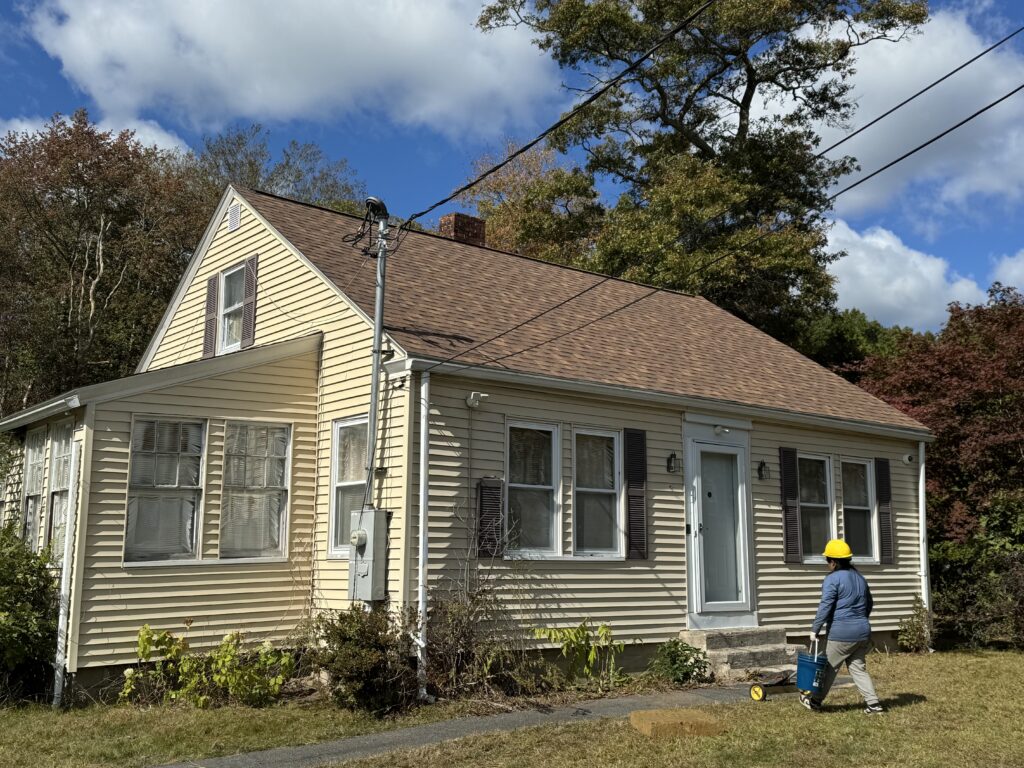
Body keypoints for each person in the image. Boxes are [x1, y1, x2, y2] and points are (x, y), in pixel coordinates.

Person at [800, 539, 884, 714]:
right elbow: (869, 603)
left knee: (828, 669)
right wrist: (860, 620)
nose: (827, 564)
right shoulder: (860, 578)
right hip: (862, 633)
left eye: (828, 561)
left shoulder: (832, 579)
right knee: (858, 669)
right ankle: (874, 705)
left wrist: (814, 629)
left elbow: (825, 606)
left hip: (841, 634)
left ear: (834, 561)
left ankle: (814, 701)